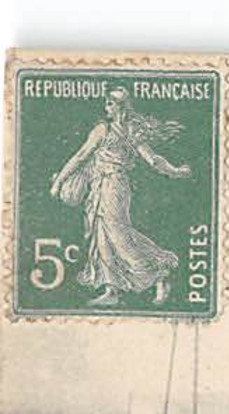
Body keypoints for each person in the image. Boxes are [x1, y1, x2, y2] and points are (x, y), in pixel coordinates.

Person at [48, 87, 191, 308]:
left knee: (118, 233)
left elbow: (151, 158)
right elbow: (81, 157)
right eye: (107, 103)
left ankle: (158, 274)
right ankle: (111, 288)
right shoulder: (107, 129)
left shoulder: (120, 131)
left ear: (119, 106)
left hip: (113, 186)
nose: (106, 106)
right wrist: (176, 171)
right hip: (100, 186)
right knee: (102, 235)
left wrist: (175, 171)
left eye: (110, 103)